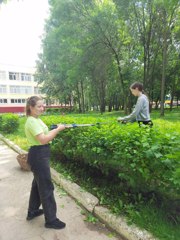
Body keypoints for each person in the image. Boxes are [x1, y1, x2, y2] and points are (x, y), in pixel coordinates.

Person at [25, 96, 68, 229]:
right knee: (46, 188)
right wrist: (57, 130)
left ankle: (32, 211)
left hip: (40, 154)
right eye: (39, 106)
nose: (42, 108)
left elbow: (44, 133)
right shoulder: (31, 121)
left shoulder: (36, 119)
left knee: (37, 185)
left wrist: (55, 128)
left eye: (43, 106)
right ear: (31, 107)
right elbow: (43, 139)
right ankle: (51, 220)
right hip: (38, 155)